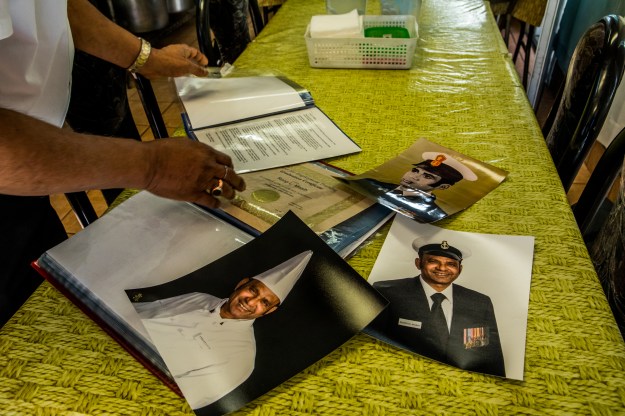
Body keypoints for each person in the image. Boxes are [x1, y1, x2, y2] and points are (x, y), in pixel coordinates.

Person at [0, 1, 246, 326]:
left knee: (62, 309)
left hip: (30, 181)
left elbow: (56, 6)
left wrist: (148, 58)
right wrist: (153, 166)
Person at [130, 251, 313, 409]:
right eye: (253, 291)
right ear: (241, 284)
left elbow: (180, 398)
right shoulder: (200, 298)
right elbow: (141, 310)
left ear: (270, 311)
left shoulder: (242, 357)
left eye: (264, 303)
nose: (250, 302)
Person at [368, 239, 506, 377]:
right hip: (401, 375)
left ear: (460, 269)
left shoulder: (479, 303)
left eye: (451, 264)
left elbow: (487, 355)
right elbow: (370, 342)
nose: (442, 268)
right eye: (433, 261)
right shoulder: (387, 292)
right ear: (418, 263)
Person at [348, 152, 477, 222]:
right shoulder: (370, 183)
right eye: (415, 171)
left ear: (443, 187)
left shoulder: (430, 214)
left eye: (427, 176)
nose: (413, 177)